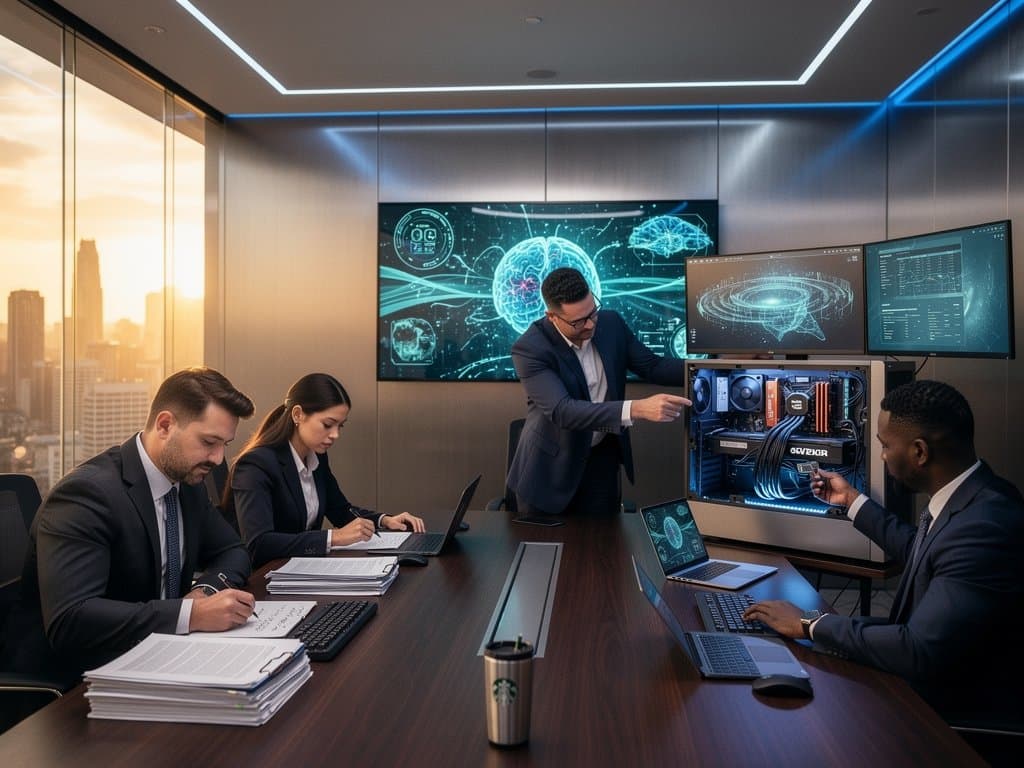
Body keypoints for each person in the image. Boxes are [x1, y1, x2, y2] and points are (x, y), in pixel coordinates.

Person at [742, 379, 1024, 728]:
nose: (882, 456)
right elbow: (921, 550)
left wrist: (809, 623)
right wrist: (850, 501)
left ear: (919, 452)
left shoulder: (984, 527)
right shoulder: (979, 496)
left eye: (886, 445)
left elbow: (918, 649)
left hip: (952, 721)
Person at [4, 367, 258, 684]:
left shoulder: (186, 485)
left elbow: (233, 550)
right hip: (77, 681)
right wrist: (190, 615)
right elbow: (71, 619)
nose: (218, 459)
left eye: (225, 445)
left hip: (158, 655)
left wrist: (203, 592)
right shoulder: (86, 494)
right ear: (165, 425)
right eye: (209, 442)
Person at [507, 267, 691, 517]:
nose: (591, 324)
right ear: (552, 317)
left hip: (602, 461)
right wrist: (636, 408)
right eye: (578, 321)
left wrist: (713, 369)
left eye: (592, 312)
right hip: (549, 472)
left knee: (604, 540)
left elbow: (653, 366)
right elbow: (563, 411)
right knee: (544, 543)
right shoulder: (531, 348)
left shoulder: (611, 323)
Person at [224, 373, 425, 568]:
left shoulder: (316, 456)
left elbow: (340, 510)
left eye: (340, 426)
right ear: (298, 415)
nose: (335, 435)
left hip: (299, 569)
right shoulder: (256, 465)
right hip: (261, 577)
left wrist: (385, 520)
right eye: (328, 424)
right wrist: (333, 537)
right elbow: (259, 544)